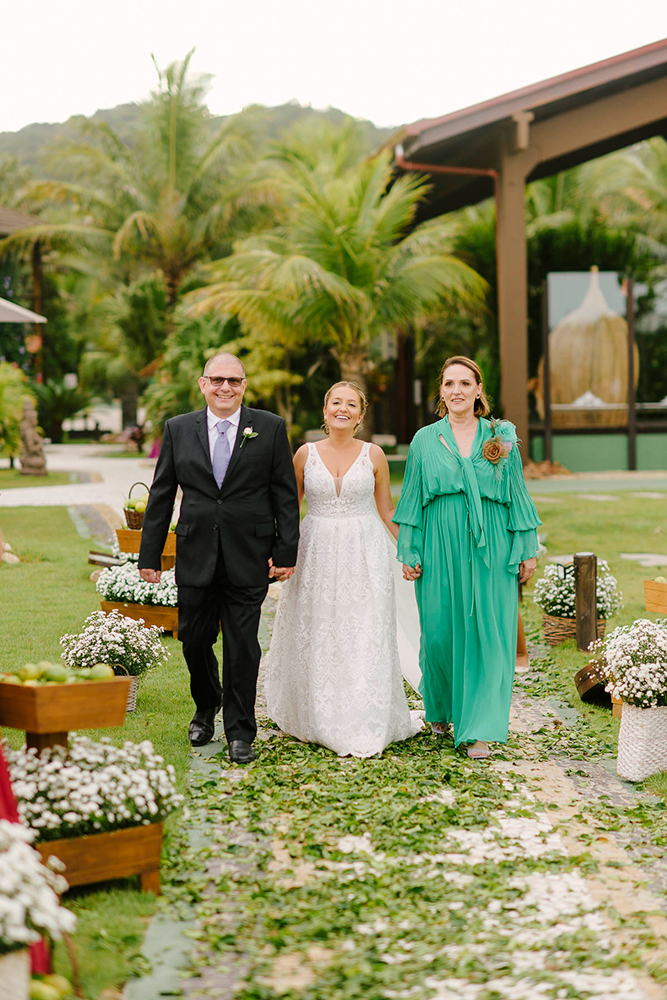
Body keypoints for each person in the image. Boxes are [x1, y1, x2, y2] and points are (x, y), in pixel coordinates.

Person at [138, 352, 300, 763]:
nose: (225, 387)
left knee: (244, 646)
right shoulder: (178, 429)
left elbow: (284, 494)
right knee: (193, 640)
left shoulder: (269, 427)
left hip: (250, 555)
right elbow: (160, 496)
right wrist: (150, 556)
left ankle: (240, 731)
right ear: (202, 384)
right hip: (195, 555)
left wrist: (285, 551)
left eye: (233, 380)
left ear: (244, 385)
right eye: (217, 380)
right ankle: (206, 704)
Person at [265, 381, 423, 758]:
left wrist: (410, 550)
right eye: (336, 402)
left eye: (351, 404)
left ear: (361, 415)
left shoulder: (375, 455)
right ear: (325, 411)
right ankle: (316, 714)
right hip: (316, 552)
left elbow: (386, 510)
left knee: (364, 629)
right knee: (318, 627)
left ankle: (365, 715)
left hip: (365, 553)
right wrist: (275, 551)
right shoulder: (304, 455)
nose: (343, 409)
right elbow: (288, 511)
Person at [394, 356, 541, 759]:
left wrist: (526, 546)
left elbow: (516, 492)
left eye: (465, 382)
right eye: (449, 384)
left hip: (490, 542)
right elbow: (413, 499)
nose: (456, 390)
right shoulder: (425, 439)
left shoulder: (501, 434)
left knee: (487, 633)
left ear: (479, 390)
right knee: (440, 631)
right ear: (441, 392)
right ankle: (440, 706)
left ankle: (477, 727)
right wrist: (410, 548)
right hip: (440, 541)